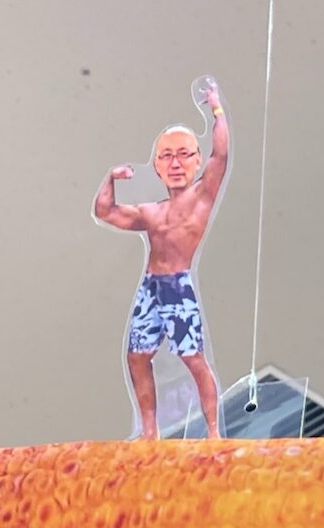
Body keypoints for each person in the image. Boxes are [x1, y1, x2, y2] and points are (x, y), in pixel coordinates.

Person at [93, 79, 230, 440]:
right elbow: (105, 211)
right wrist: (112, 178)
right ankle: (150, 433)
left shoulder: (202, 196)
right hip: (150, 288)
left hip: (178, 287)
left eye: (184, 154)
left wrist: (216, 107)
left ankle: (214, 433)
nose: (175, 164)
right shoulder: (152, 212)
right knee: (137, 357)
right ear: (156, 165)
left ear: (196, 160)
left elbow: (220, 155)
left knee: (193, 359)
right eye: (167, 156)